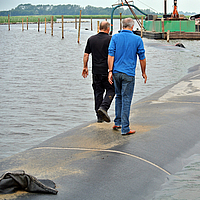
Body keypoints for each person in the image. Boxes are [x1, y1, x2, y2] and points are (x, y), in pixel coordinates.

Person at [108, 18, 147, 135]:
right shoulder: (137, 39)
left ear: (122, 25)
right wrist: (143, 72)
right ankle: (125, 128)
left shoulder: (115, 37)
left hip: (116, 72)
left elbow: (110, 55)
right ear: (132, 26)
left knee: (118, 96)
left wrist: (110, 71)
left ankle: (118, 122)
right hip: (128, 73)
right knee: (126, 99)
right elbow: (142, 57)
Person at [82, 21, 115, 123]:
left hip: (96, 71)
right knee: (112, 90)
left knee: (98, 93)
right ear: (108, 29)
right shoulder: (111, 39)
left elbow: (86, 54)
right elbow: (113, 55)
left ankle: (99, 117)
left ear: (99, 28)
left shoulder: (91, 39)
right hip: (107, 70)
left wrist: (85, 67)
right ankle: (104, 108)